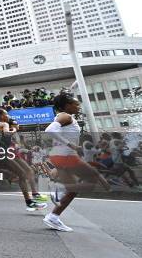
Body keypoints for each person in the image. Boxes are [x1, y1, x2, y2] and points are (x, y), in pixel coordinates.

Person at [43, 93, 111, 231]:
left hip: (60, 155)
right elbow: (49, 130)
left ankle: (53, 217)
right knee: (92, 177)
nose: (79, 106)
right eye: (76, 104)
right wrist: (70, 145)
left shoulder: (66, 117)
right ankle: (59, 189)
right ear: (67, 105)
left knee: (73, 190)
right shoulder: (65, 116)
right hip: (66, 156)